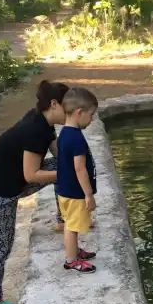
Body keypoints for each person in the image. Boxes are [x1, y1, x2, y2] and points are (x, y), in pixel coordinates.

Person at [0, 81, 69, 304]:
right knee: (0, 247)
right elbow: (32, 174)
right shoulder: (35, 130)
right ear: (54, 104)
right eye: (70, 106)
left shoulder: (42, 121)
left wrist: (73, 162)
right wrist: (69, 173)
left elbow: (59, 155)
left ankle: (62, 219)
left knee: (63, 166)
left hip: (14, 183)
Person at [56, 88, 99, 274]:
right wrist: (88, 194)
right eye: (91, 115)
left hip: (64, 189)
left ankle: (74, 251)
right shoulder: (77, 139)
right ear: (79, 113)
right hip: (75, 192)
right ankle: (72, 260)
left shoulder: (64, 133)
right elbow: (79, 168)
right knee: (72, 226)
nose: (92, 120)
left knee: (70, 223)